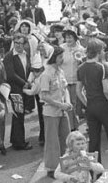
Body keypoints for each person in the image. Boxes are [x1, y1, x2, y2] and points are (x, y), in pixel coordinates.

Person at [76, 39, 108, 174]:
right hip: (104, 106)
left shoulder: (80, 68)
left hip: (91, 107)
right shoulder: (102, 67)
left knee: (93, 141)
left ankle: (94, 172)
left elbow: (78, 91)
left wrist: (87, 103)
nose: (104, 52)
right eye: (103, 50)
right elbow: (106, 90)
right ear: (98, 52)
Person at [40, 46, 72, 179]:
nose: (62, 59)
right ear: (53, 57)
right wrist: (61, 105)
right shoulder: (46, 74)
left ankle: (67, 164)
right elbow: (44, 96)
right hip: (51, 112)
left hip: (62, 110)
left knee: (67, 137)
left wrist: (68, 102)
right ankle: (52, 168)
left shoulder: (60, 71)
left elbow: (65, 89)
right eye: (59, 57)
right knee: (52, 141)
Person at [3, 32, 32, 150]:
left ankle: (16, 139)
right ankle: (19, 143)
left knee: (20, 115)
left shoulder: (26, 55)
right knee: (18, 115)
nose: (18, 45)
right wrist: (24, 83)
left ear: (25, 44)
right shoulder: (9, 56)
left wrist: (29, 81)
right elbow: (10, 75)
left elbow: (28, 69)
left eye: (20, 43)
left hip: (24, 89)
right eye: (16, 43)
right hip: (16, 90)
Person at [61, 27, 85, 131]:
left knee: (75, 104)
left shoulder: (81, 49)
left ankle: (75, 125)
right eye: (66, 37)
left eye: (70, 37)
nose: (68, 39)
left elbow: (83, 64)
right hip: (64, 80)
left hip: (76, 80)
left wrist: (80, 61)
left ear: (75, 38)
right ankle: (68, 126)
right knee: (67, 103)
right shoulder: (61, 48)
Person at [23, 53, 45, 146]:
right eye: (34, 70)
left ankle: (44, 137)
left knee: (45, 119)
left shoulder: (41, 78)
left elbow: (32, 91)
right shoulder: (34, 74)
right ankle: (43, 136)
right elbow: (29, 79)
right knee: (41, 117)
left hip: (45, 100)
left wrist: (23, 90)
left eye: (38, 70)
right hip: (40, 99)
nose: (36, 73)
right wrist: (28, 83)